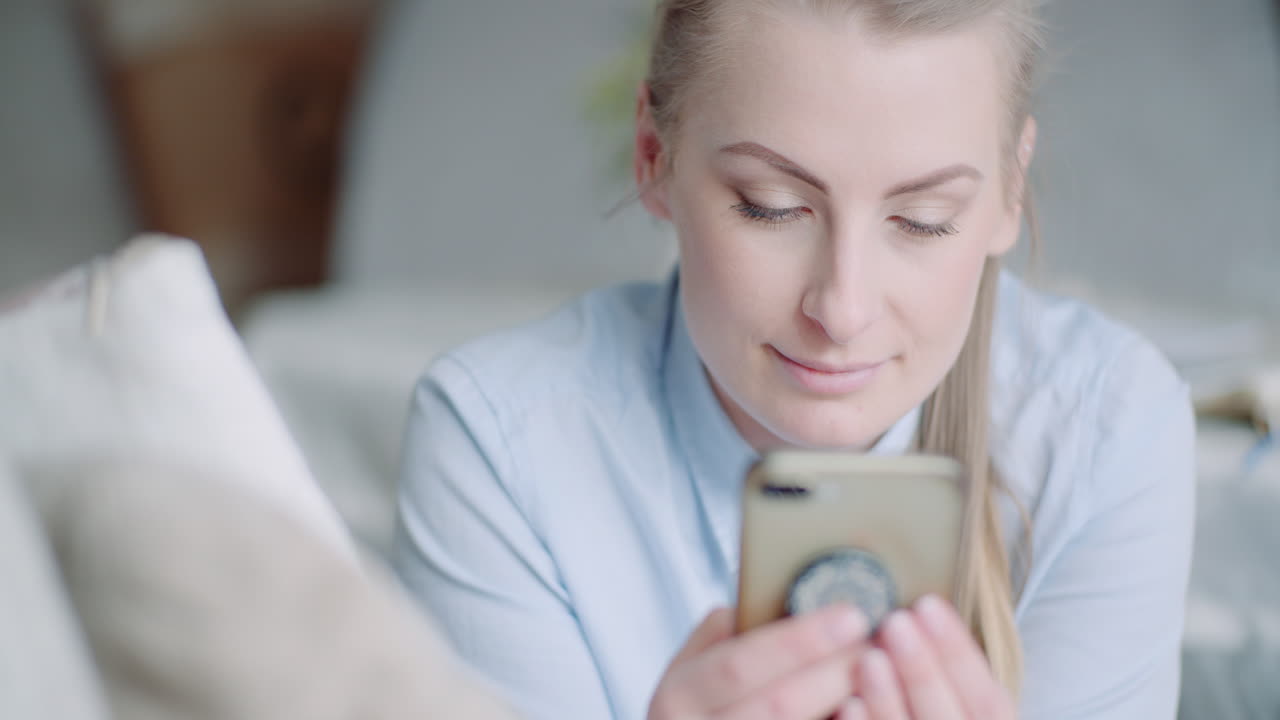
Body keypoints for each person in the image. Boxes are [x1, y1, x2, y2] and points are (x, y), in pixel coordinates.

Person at [393, 1, 1195, 718]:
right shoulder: (500, 445)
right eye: (769, 207)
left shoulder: (1108, 432)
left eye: (922, 220)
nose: (842, 311)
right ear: (652, 154)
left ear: (1009, 193)